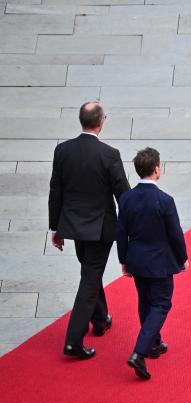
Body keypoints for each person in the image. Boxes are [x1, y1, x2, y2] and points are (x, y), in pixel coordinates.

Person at [49, 101, 130, 359]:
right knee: (89, 279)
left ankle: (101, 319)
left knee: (89, 273)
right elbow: (123, 195)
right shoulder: (109, 154)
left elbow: (56, 191)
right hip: (100, 229)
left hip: (73, 227)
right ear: (101, 122)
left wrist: (56, 227)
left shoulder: (63, 151)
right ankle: (73, 340)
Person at [116, 147, 189, 380]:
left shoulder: (126, 198)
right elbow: (175, 233)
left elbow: (121, 232)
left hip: (136, 260)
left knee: (145, 302)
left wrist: (123, 259)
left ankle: (154, 344)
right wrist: (183, 257)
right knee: (161, 304)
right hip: (160, 262)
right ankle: (140, 351)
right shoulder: (164, 201)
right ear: (157, 169)